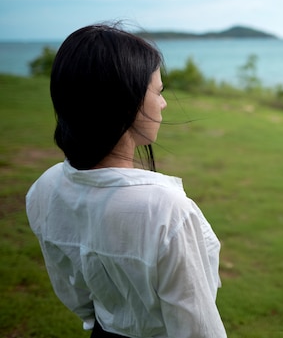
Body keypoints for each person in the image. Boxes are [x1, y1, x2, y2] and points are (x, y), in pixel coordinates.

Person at [25, 24, 227, 338]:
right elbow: (197, 328)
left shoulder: (46, 187)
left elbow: (73, 290)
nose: (163, 104)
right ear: (126, 101)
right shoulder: (165, 210)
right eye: (158, 92)